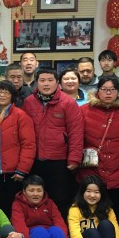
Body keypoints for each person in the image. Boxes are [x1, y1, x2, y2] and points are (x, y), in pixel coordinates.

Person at [22, 67, 83, 216]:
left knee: (59, 198)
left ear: (57, 83)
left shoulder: (68, 103)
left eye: (50, 80)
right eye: (42, 80)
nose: (46, 84)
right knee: (35, 198)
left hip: (59, 160)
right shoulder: (29, 102)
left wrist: (74, 158)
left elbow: (76, 132)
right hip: (35, 159)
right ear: (37, 83)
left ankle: (60, 228)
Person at [77, 76, 119, 212]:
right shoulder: (84, 110)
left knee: (115, 209)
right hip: (91, 169)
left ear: (118, 92)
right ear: (98, 91)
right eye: (104, 89)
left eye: (112, 89)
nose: (108, 93)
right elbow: (77, 140)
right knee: (90, 210)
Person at [0, 80, 35, 216]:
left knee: (12, 205)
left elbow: (28, 145)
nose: (2, 95)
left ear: (12, 95)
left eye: (6, 92)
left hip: (13, 171)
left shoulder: (21, 116)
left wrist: (22, 169)